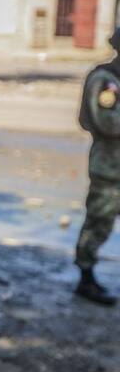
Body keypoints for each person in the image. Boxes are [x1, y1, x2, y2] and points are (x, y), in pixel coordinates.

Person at [75, 27, 120, 306]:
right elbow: (107, 122)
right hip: (110, 170)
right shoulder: (106, 80)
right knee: (98, 224)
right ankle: (85, 278)